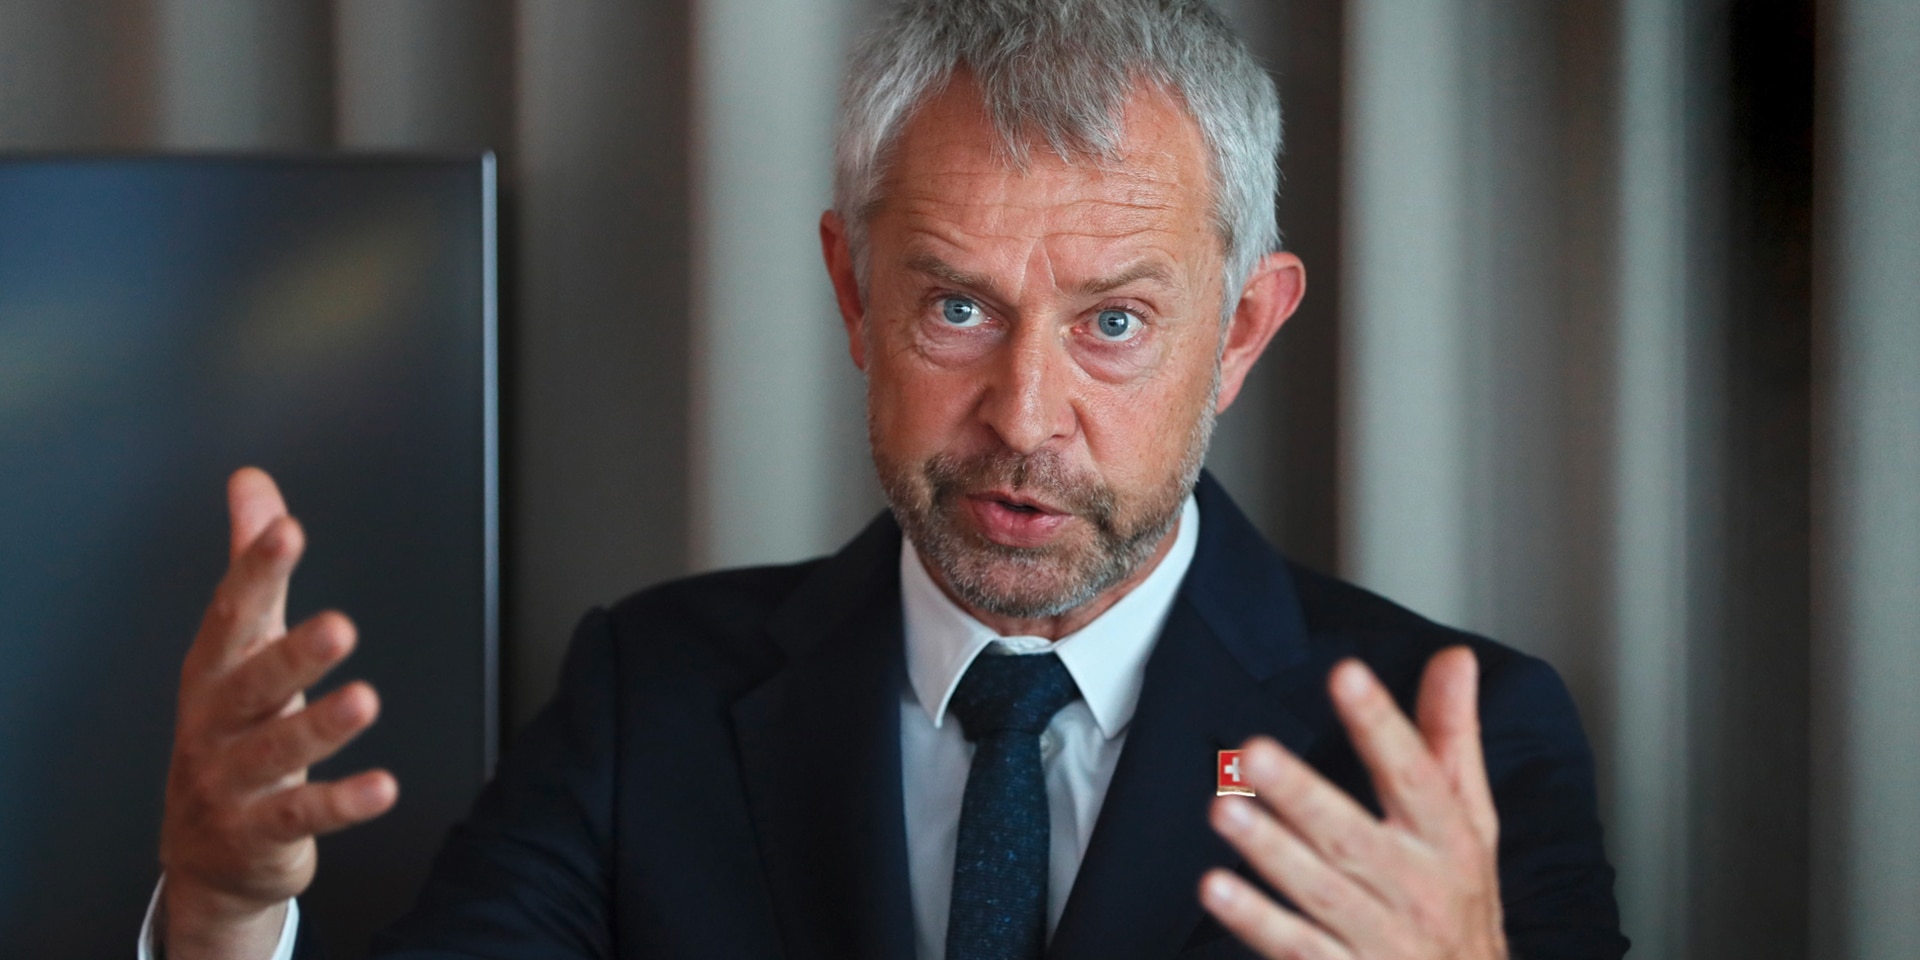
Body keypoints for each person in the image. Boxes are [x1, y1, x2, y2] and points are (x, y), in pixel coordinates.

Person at [146, 1, 1626, 958]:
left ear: (1240, 332)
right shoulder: (644, 695)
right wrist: (221, 913)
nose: (1023, 415)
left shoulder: (1462, 749)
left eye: (1114, 322)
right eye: (957, 308)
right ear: (855, 295)